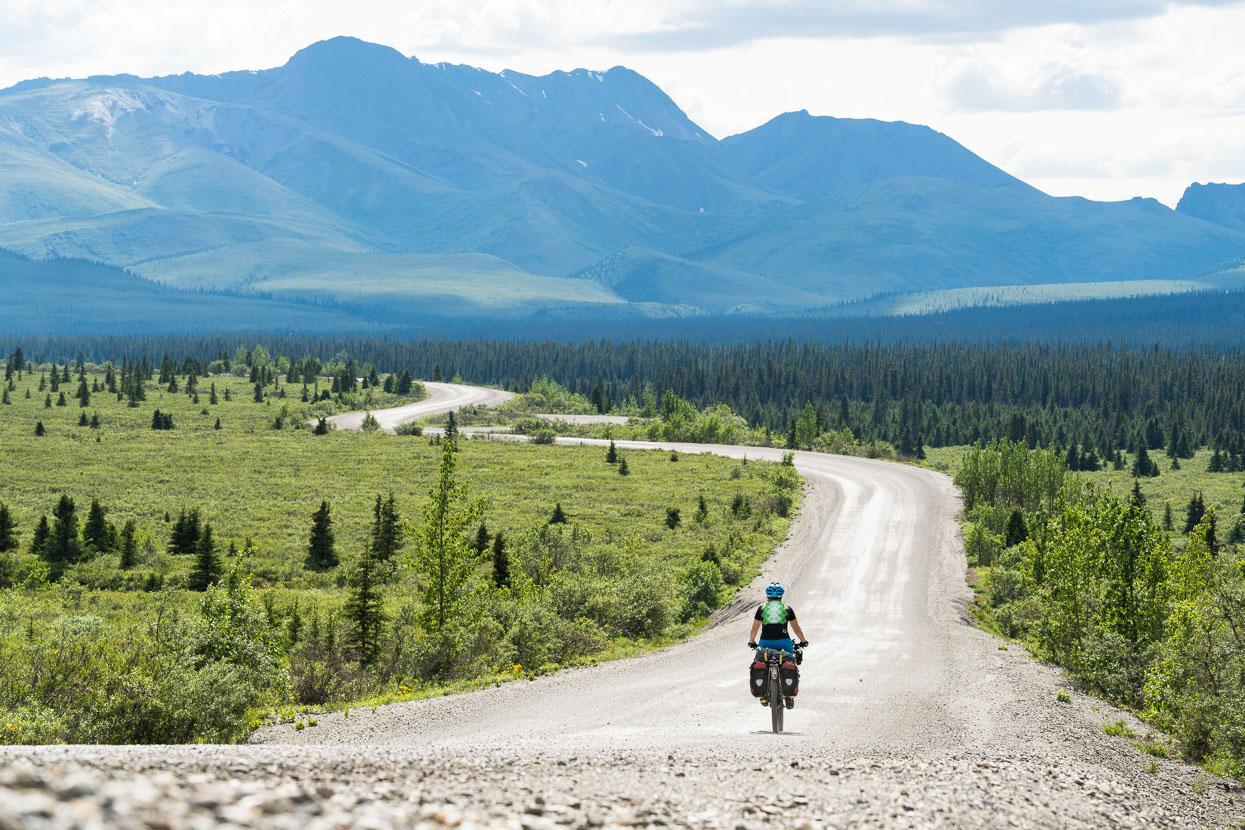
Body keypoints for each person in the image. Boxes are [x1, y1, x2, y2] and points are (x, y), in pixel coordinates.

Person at [748, 581, 807, 656]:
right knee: (791, 661)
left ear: (767, 596)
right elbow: (797, 629)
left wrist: (751, 642)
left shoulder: (762, 608)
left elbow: (754, 629)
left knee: (759, 660)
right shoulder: (787, 609)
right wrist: (803, 641)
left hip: (765, 642)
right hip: (783, 642)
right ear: (781, 596)